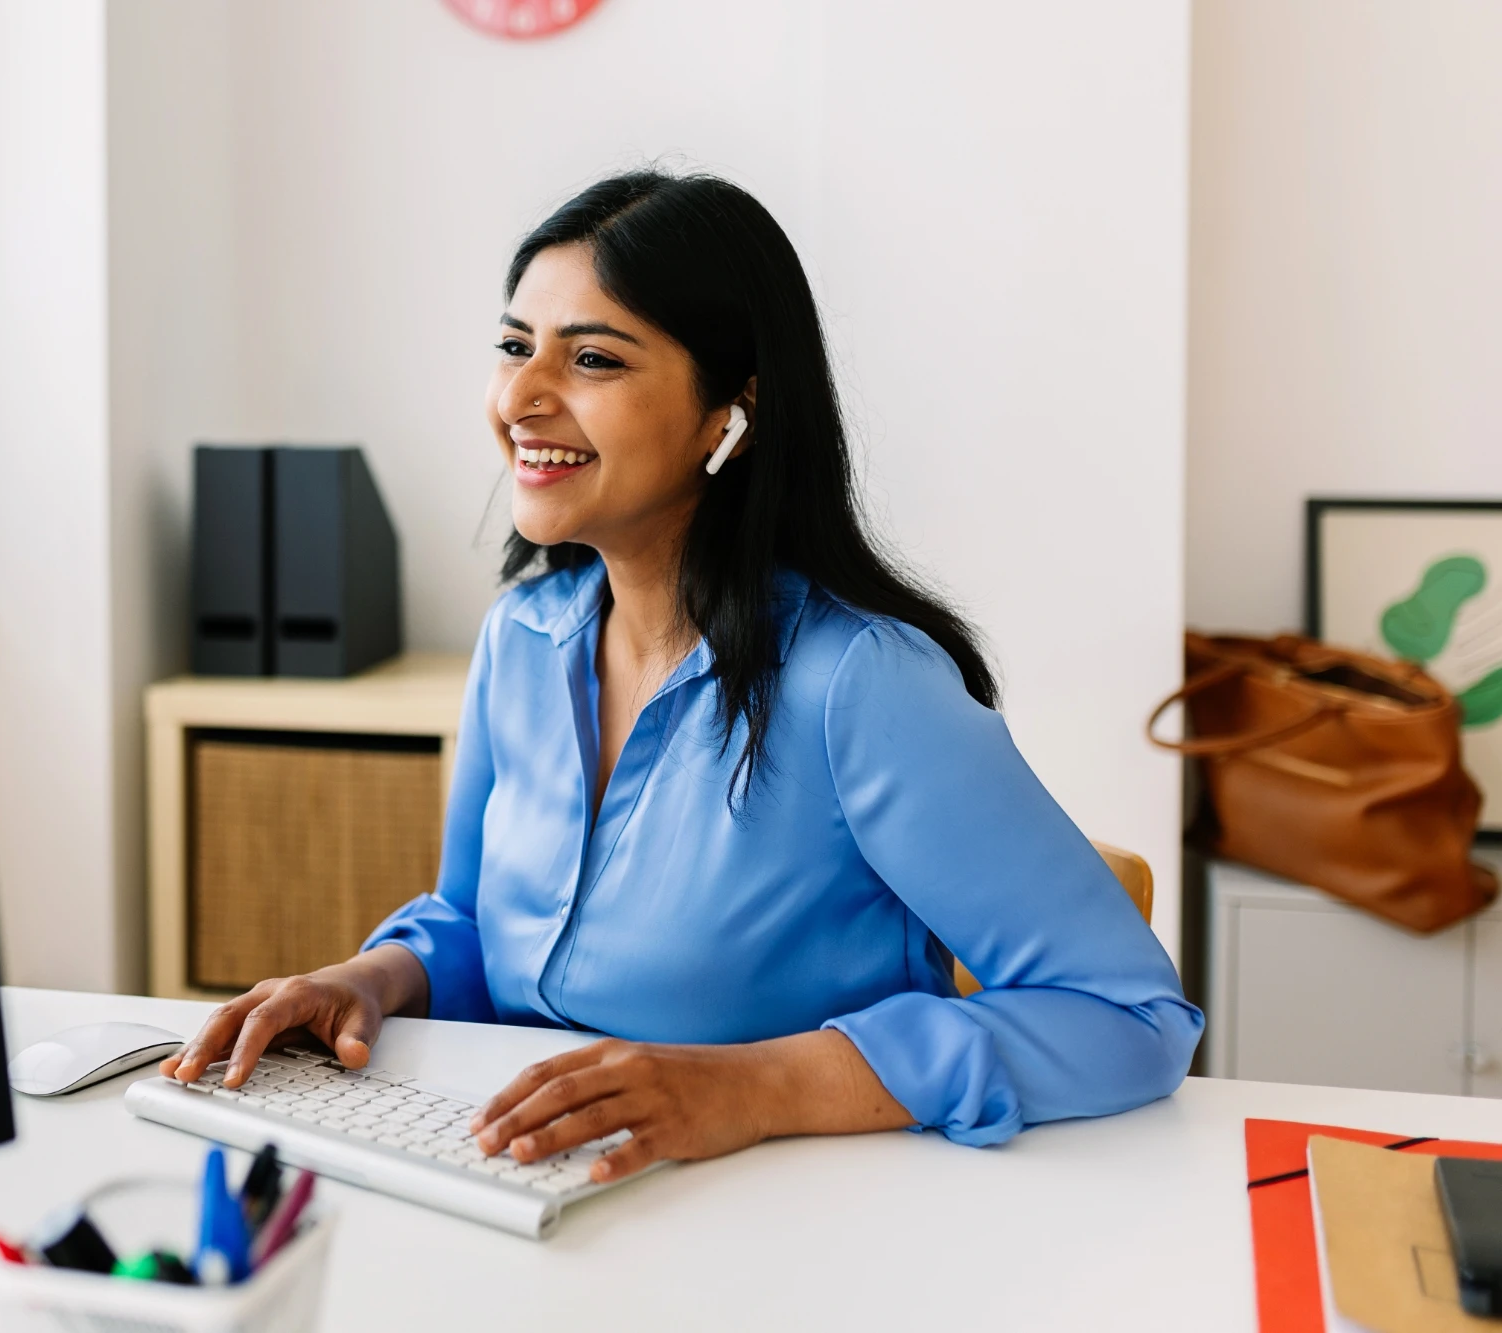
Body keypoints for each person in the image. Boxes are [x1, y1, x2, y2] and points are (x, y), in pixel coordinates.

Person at [167, 169, 1203, 1185]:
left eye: (593, 359)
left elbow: (1129, 1016)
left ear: (731, 411)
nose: (521, 398)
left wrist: (750, 1088)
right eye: (513, 346)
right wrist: (368, 979)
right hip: (546, 1201)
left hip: (806, 1235)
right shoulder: (519, 641)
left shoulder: (860, 683)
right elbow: (479, 920)